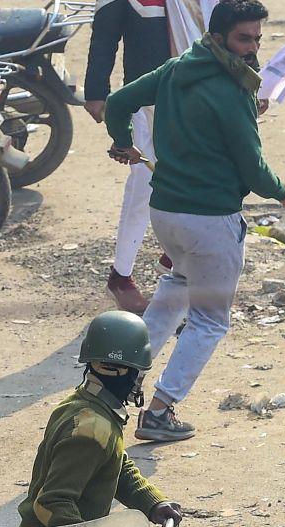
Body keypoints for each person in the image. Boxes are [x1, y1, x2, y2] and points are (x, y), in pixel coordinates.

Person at [104, 0, 285, 442]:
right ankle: (159, 412)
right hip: (209, 221)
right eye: (243, 39)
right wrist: (281, 192)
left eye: (257, 39)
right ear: (218, 36)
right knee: (210, 321)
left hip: (166, 214)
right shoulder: (232, 91)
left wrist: (122, 142)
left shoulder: (177, 68)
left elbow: (119, 102)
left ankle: (115, 387)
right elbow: (252, 167)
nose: (252, 49)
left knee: (173, 293)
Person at [17, 311, 183, 527]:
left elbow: (116, 467)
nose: (138, 381)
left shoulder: (87, 407)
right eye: (137, 373)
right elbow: (51, 502)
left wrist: (152, 503)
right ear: (122, 372)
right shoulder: (92, 429)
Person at [84, 0, 174, 313]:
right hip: (145, 99)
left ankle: (174, 256)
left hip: (196, 95)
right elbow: (105, 33)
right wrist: (96, 91)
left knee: (194, 174)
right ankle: (121, 276)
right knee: (145, 184)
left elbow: (230, 25)